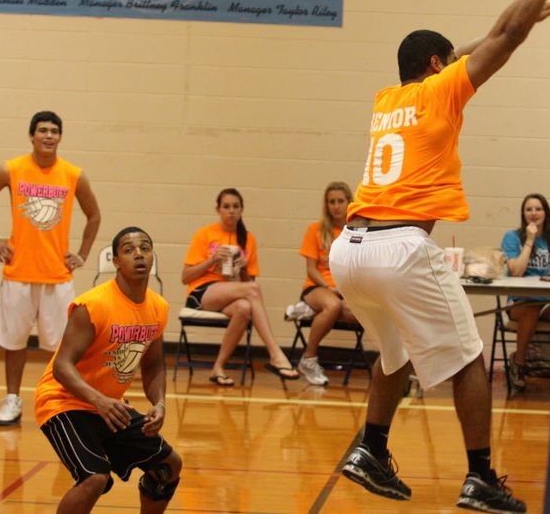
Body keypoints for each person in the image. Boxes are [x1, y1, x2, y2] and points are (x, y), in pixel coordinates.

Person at [329, 0, 550, 514]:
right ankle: (480, 476)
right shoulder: (442, 90)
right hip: (400, 248)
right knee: (469, 361)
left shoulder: (387, 99)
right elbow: (505, 35)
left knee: (394, 353)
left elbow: (465, 49)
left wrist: (507, 25)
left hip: (350, 250)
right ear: (437, 66)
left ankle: (370, 448)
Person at [34, 226, 182, 514]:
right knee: (95, 478)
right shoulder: (93, 305)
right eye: (129, 250)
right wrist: (98, 400)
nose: (138, 254)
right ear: (115, 261)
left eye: (145, 248)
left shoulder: (158, 308)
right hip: (64, 402)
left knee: (168, 466)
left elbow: (153, 366)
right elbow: (62, 367)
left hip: (109, 406)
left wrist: (160, 403)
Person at [0, 110, 101, 426]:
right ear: (31, 135)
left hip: (57, 276)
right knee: (14, 343)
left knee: (62, 347)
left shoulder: (73, 174)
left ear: (60, 137)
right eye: (43, 130)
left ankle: (60, 401)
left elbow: (94, 215)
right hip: (18, 273)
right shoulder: (11, 169)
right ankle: (12, 399)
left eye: (54, 131)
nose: (48, 136)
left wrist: (82, 254)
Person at [182, 188, 300, 384]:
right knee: (253, 289)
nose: (231, 211)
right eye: (226, 207)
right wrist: (212, 260)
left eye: (236, 207)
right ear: (218, 209)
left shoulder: (248, 239)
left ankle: (218, 368)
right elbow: (185, 277)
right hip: (202, 292)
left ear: (242, 210)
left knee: (244, 307)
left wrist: (243, 268)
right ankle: (275, 354)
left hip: (230, 292)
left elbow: (247, 284)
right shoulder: (205, 234)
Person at [500, 193, 550, 390]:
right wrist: (530, 240)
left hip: (548, 303)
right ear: (523, 214)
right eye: (528, 209)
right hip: (520, 302)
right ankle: (519, 363)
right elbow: (517, 271)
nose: (533, 213)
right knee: (531, 308)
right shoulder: (512, 238)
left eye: (538, 209)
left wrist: (547, 280)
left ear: (546, 213)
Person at [296, 181, 360, 385]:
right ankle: (308, 358)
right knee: (332, 305)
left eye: (340, 201)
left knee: (363, 314)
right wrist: (328, 287)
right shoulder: (315, 229)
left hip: (346, 291)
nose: (336, 206)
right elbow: (311, 269)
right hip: (318, 287)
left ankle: (312, 311)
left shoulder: (357, 232)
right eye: (331, 202)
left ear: (349, 203)